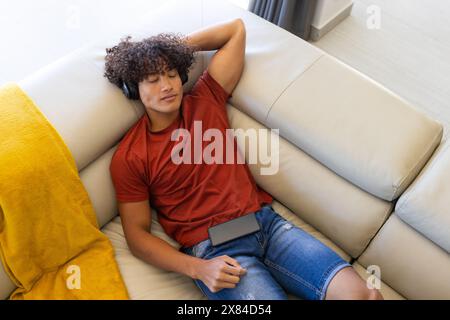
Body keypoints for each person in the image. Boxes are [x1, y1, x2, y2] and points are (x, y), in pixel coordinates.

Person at [104, 18, 383, 300]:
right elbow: (137, 238)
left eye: (171, 73)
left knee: (366, 296)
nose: (166, 86)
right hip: (214, 249)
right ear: (132, 89)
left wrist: (165, 51)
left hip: (266, 225)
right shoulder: (130, 157)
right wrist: (198, 269)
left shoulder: (206, 98)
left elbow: (235, 30)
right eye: (152, 79)